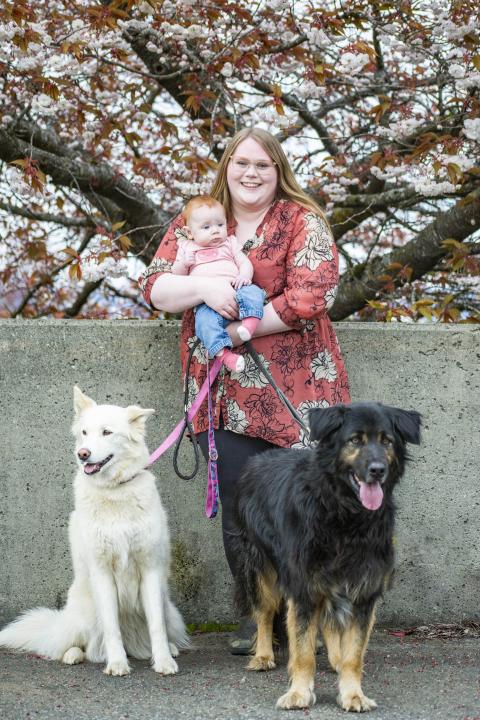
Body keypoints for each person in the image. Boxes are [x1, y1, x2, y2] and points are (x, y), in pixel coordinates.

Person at [139, 127, 350, 653]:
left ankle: (316, 612)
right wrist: (207, 288)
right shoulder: (197, 222)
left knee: (311, 503)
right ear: (226, 167)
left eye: (262, 164)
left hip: (300, 387)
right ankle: (259, 617)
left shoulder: (303, 221)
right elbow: (157, 287)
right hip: (223, 391)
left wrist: (241, 329)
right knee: (241, 506)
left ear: (278, 170)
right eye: (241, 163)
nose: (250, 173)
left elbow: (310, 295)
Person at [171, 195, 265, 373]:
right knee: (204, 325)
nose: (215, 231)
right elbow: (176, 278)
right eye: (206, 227)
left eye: (220, 225)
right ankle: (224, 355)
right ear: (190, 232)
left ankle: (249, 324)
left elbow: (244, 262)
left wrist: (244, 276)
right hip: (207, 304)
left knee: (253, 292)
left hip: (235, 287)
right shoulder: (186, 248)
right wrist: (184, 264)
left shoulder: (229, 243)